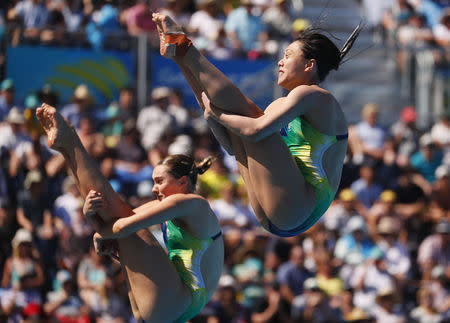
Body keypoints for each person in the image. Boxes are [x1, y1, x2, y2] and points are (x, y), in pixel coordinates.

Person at [152, 12, 361, 237]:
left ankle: (184, 48)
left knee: (248, 115)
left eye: (288, 55)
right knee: (239, 116)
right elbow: (233, 144)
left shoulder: (315, 96)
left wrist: (217, 115)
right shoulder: (283, 104)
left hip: (299, 206)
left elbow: (254, 130)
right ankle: (180, 57)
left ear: (310, 65)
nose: (281, 61)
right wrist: (214, 115)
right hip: (282, 213)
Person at [35, 103, 224, 322]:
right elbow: (116, 221)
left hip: (181, 300)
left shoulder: (194, 204)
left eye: (159, 181)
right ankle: (67, 148)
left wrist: (101, 232)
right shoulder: (172, 206)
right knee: (115, 214)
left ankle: (71, 141)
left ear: (182, 182)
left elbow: (123, 224)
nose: (153, 189)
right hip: (171, 306)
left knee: (120, 218)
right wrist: (91, 217)